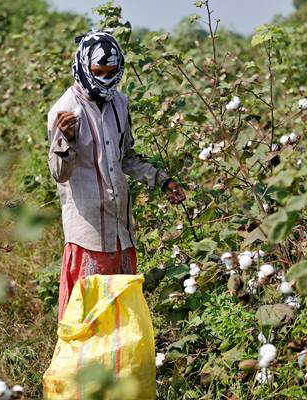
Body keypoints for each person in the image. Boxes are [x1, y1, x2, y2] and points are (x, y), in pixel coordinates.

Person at [47, 30, 186, 321]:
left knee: (119, 318)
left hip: (120, 231)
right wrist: (67, 139)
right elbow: (60, 174)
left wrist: (163, 180)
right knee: (88, 317)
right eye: (99, 71)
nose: (106, 78)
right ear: (84, 67)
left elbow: (127, 157)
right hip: (89, 234)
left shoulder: (119, 103)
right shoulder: (65, 110)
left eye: (113, 71)